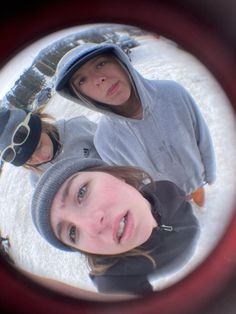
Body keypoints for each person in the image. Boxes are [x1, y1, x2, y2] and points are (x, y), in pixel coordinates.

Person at [55, 42, 216, 207]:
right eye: (82, 80)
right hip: (171, 200)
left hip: (198, 180)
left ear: (119, 61)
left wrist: (209, 174)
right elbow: (134, 183)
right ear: (80, 95)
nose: (98, 79)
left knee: (203, 206)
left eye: (101, 64)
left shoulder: (173, 93)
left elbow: (201, 135)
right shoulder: (106, 141)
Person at [31, 157, 199, 296]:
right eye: (72, 232)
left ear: (116, 175)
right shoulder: (115, 279)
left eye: (81, 192)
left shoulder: (165, 188)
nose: (92, 225)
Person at [0, 106, 101, 185]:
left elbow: (110, 143)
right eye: (30, 159)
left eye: (39, 146)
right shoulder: (39, 179)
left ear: (44, 127)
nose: (41, 158)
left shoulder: (77, 127)